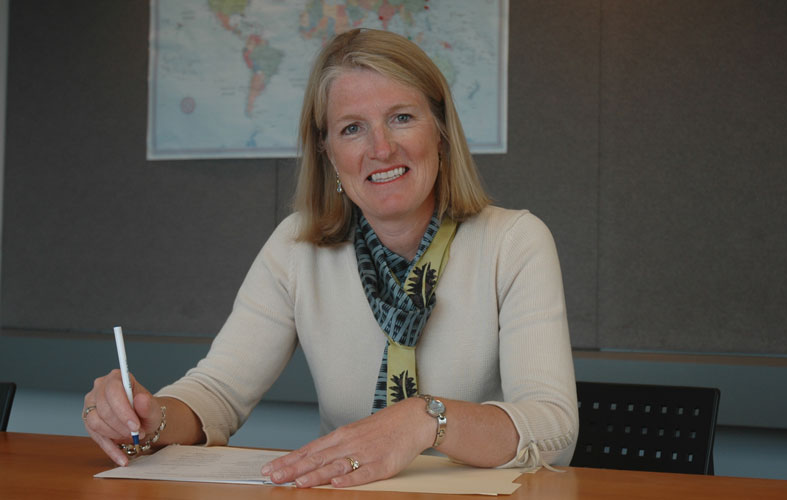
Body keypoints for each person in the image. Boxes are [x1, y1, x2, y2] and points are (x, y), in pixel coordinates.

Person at [83, 28, 577, 488]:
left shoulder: (514, 241)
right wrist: (151, 418)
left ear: (441, 132)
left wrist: (426, 418)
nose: (380, 148)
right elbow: (217, 393)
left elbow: (555, 428)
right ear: (327, 151)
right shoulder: (296, 246)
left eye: (401, 117)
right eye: (352, 128)